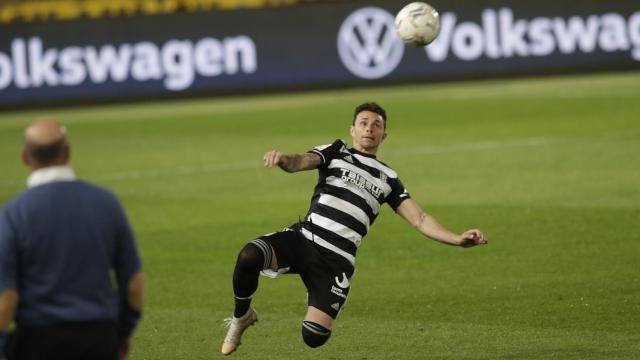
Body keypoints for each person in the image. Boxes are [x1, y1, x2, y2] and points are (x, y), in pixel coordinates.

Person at [220, 102, 488, 355]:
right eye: (363, 123)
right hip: (304, 239)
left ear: (385, 135)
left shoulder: (389, 179)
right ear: (353, 130)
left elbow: (419, 218)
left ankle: (317, 287)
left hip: (336, 262)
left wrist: (457, 239)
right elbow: (300, 161)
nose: (369, 129)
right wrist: (282, 160)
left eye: (376, 125)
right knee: (250, 255)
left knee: (314, 336)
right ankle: (242, 316)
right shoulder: (337, 151)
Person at [0, 119, 144, 360]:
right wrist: (121, 333)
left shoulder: (13, 214)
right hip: (99, 337)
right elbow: (134, 284)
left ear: (25, 157)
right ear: (67, 151)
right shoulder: (107, 204)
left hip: (37, 340)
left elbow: (6, 298)